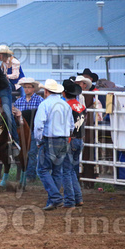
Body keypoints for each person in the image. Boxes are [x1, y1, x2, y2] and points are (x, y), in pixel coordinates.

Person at [34, 79, 74, 211]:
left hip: (50, 139)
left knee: (42, 169)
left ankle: (56, 198)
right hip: (63, 139)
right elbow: (72, 125)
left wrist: (38, 141)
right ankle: (53, 201)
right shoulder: (65, 105)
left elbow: (39, 125)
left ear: (46, 91)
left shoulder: (45, 104)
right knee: (57, 171)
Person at [62, 79, 86, 208]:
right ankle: (78, 198)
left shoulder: (66, 106)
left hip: (70, 140)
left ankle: (70, 200)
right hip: (79, 139)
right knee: (72, 171)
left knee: (66, 171)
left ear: (64, 93)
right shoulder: (81, 106)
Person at [15, 77, 44, 182]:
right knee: (22, 152)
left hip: (33, 129)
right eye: (25, 87)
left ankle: (30, 176)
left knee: (31, 152)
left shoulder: (39, 100)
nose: (26, 89)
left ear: (33, 89)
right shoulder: (19, 101)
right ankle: (24, 174)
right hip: (22, 130)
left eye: (29, 87)